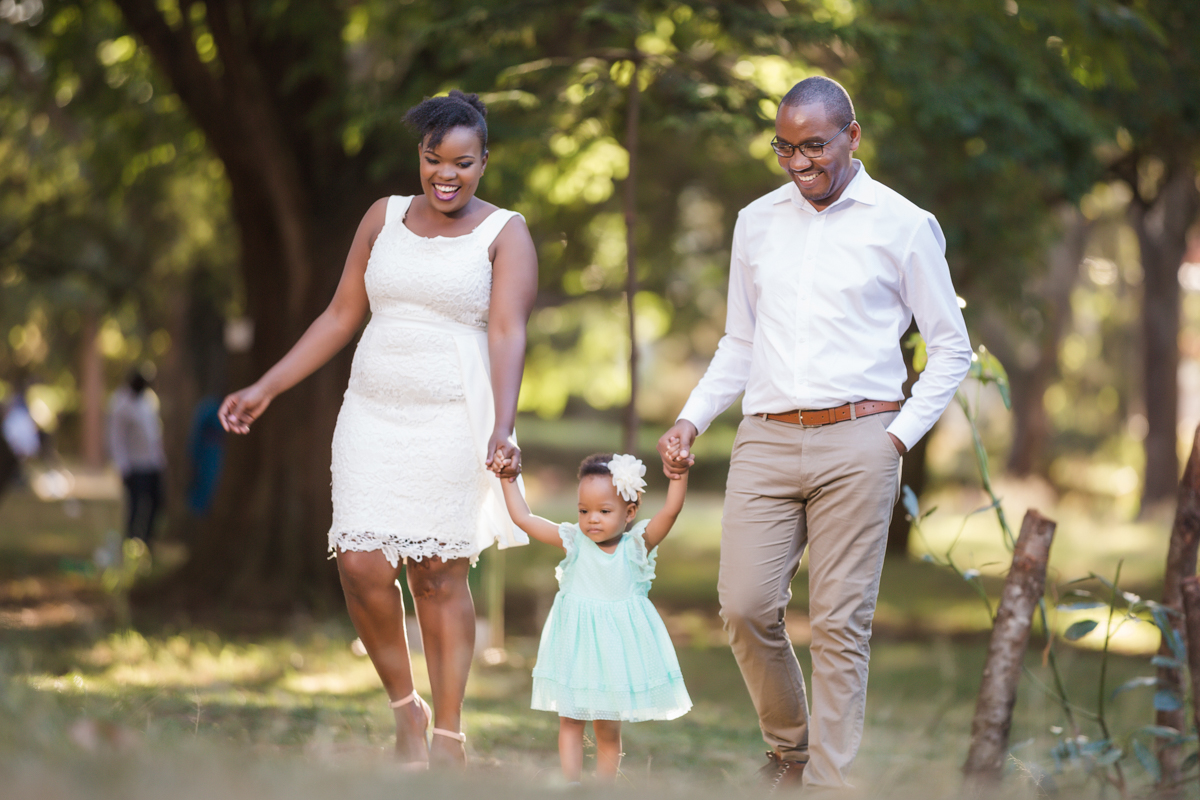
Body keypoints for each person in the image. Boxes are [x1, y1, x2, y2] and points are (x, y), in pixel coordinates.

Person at [657, 76, 973, 793]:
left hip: (860, 438)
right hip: (765, 438)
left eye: (813, 146)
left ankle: (827, 782)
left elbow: (952, 347)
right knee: (743, 604)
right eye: (785, 148)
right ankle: (790, 751)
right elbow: (740, 340)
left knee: (839, 623)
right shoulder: (756, 222)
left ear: (851, 136)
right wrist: (692, 415)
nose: (799, 162)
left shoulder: (903, 224)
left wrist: (896, 439)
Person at [218, 90, 537, 769]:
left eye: (463, 163)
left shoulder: (505, 232)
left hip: (456, 417)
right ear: (418, 155)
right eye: (433, 159)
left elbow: (508, 331)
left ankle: (449, 732)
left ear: (484, 162)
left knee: (437, 575)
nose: (446, 175)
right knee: (362, 564)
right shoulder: (382, 218)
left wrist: (503, 427)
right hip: (371, 413)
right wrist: (265, 386)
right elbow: (339, 316)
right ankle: (406, 709)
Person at [496, 451, 693, 784]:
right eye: (583, 511)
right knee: (570, 719)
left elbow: (671, 510)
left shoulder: (636, 546)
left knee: (606, 725)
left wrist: (679, 474)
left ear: (630, 512)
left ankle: (604, 788)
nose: (592, 520)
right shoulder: (574, 542)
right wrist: (507, 478)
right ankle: (571, 783)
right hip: (575, 649)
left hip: (615, 655)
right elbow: (524, 518)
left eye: (604, 511)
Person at [108, 369, 167, 545]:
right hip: (135, 465)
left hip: (153, 463)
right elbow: (116, 439)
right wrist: (123, 467)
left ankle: (148, 540)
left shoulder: (148, 400)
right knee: (134, 507)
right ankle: (131, 541)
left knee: (156, 504)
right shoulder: (120, 404)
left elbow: (154, 433)